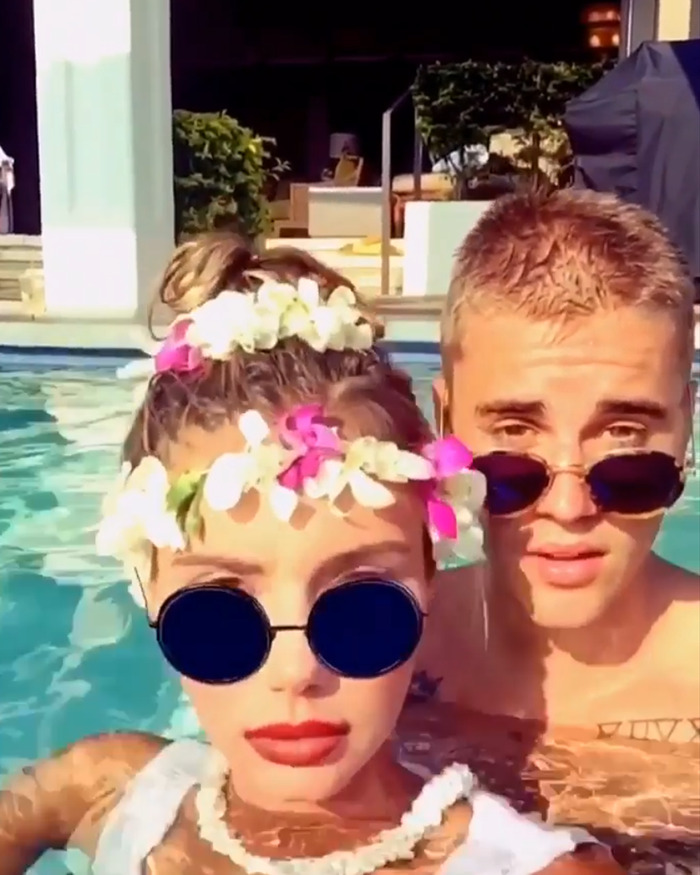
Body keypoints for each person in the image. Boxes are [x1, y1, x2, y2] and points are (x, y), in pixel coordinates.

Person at [0, 235, 623, 875]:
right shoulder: (102, 790)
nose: (297, 672)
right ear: (149, 591)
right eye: (219, 616)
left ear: (429, 583)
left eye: (362, 610)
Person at [416, 188, 700, 744]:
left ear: (686, 426)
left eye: (623, 435)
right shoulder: (368, 654)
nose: (569, 509)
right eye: (515, 433)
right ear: (444, 426)